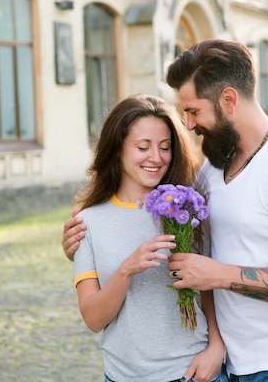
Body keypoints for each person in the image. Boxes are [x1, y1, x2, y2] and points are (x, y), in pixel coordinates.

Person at [62, 40, 268, 382]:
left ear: (228, 100)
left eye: (194, 111)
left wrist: (216, 274)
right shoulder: (211, 171)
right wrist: (85, 247)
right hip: (237, 366)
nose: (188, 124)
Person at [70, 94, 226, 382]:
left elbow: (209, 290)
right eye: (143, 147)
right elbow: (93, 319)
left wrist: (217, 347)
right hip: (123, 376)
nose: (156, 158)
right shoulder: (87, 221)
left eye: (165, 147)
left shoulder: (185, 208)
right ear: (117, 149)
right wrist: (128, 269)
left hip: (192, 373)